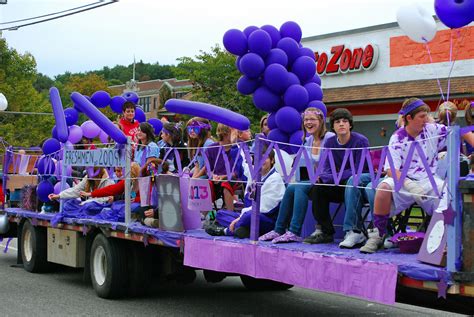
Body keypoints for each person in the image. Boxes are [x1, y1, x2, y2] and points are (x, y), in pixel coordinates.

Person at [359, 98, 449, 253]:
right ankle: (377, 235)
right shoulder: (397, 138)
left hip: (429, 180)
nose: (426, 119)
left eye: (427, 115)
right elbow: (391, 170)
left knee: (448, 193)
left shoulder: (432, 129)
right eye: (422, 116)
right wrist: (410, 185)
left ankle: (443, 239)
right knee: (383, 188)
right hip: (404, 180)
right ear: (409, 118)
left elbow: (459, 132)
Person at [259, 107, 335, 243]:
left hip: (328, 179)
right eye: (306, 120)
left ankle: (294, 231)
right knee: (291, 187)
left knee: (299, 187)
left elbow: (335, 163)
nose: (308, 122)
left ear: (321, 121)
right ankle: (279, 229)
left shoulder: (330, 138)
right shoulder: (308, 140)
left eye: (312, 119)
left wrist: (320, 174)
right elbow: (302, 163)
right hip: (312, 179)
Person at [304, 108, 370, 244]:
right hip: (340, 183)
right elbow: (327, 167)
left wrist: (333, 175)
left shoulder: (361, 141)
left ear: (350, 124)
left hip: (357, 186)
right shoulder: (330, 143)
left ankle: (354, 231)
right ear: (333, 126)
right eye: (337, 122)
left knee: (349, 180)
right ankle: (325, 231)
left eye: (345, 121)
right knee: (317, 188)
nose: (341, 124)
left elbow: (359, 169)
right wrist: (324, 177)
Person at [206, 149, 285, 238]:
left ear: (272, 160)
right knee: (220, 214)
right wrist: (234, 143)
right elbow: (241, 163)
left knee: (248, 217)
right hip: (247, 215)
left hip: (266, 219)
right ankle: (244, 230)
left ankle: (227, 230)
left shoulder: (274, 179)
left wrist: (239, 219)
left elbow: (263, 208)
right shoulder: (254, 174)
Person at [204, 123, 244, 211]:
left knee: (226, 184)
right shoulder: (211, 148)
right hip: (216, 180)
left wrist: (224, 177)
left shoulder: (238, 147)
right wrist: (212, 175)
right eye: (233, 132)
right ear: (225, 134)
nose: (235, 135)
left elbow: (239, 170)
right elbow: (208, 169)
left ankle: (230, 215)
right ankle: (202, 216)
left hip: (235, 179)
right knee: (206, 184)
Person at [48, 167, 114, 204]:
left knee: (89, 205)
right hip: (87, 205)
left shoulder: (109, 181)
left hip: (100, 207)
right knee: (69, 204)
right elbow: (76, 190)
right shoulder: (88, 177)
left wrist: (86, 203)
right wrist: (59, 195)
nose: (87, 172)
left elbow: (106, 199)